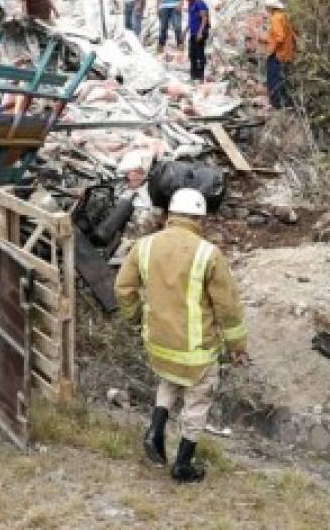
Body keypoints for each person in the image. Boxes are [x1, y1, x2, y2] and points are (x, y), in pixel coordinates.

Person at [115, 188, 248, 483]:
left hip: (159, 344)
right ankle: (184, 464)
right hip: (196, 350)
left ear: (170, 214)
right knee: (197, 400)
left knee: (169, 380)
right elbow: (227, 307)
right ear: (200, 218)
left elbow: (123, 288)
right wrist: (237, 345)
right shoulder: (208, 253)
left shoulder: (145, 246)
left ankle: (155, 430)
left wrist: (136, 318)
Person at [263, 0, 297, 108]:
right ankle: (287, 103)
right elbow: (294, 33)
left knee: (274, 79)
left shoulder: (275, 18)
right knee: (284, 78)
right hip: (287, 53)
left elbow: (280, 37)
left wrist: (270, 51)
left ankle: (277, 104)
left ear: (270, 8)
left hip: (278, 54)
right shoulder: (285, 16)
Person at [183, 0, 210, 82]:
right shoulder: (191, 4)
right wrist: (186, 30)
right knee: (192, 54)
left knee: (199, 54)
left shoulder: (199, 3)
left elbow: (204, 18)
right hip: (193, 33)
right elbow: (191, 19)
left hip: (200, 33)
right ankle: (193, 75)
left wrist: (200, 32)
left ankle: (200, 76)